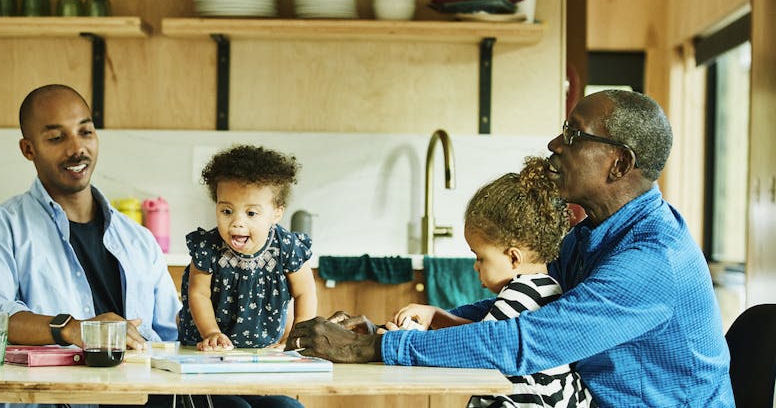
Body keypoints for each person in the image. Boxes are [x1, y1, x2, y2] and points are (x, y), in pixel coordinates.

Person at [286, 90, 735, 407]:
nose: (555, 145)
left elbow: (528, 341)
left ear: (618, 164)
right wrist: (395, 332)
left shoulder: (653, 261)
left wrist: (370, 351)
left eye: (574, 136)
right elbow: (526, 307)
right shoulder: (594, 233)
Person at [0, 84, 181, 408]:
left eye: (85, 131)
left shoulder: (138, 239)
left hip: (142, 399)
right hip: (54, 401)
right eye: (56, 137)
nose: (77, 149)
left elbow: (171, 335)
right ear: (28, 149)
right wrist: (73, 329)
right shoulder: (2, 227)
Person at [389, 157, 595, 408]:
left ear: (513, 257)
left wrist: (402, 341)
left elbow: (479, 348)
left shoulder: (521, 292)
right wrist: (436, 316)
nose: (476, 267)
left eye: (480, 257)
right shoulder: (543, 286)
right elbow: (484, 335)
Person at [179, 145, 317, 352]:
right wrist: (211, 333)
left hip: (267, 348)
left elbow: (305, 293)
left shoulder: (287, 248)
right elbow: (198, 293)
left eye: (251, 213)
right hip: (207, 347)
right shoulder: (207, 247)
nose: (236, 223)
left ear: (276, 214)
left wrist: (296, 336)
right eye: (227, 211)